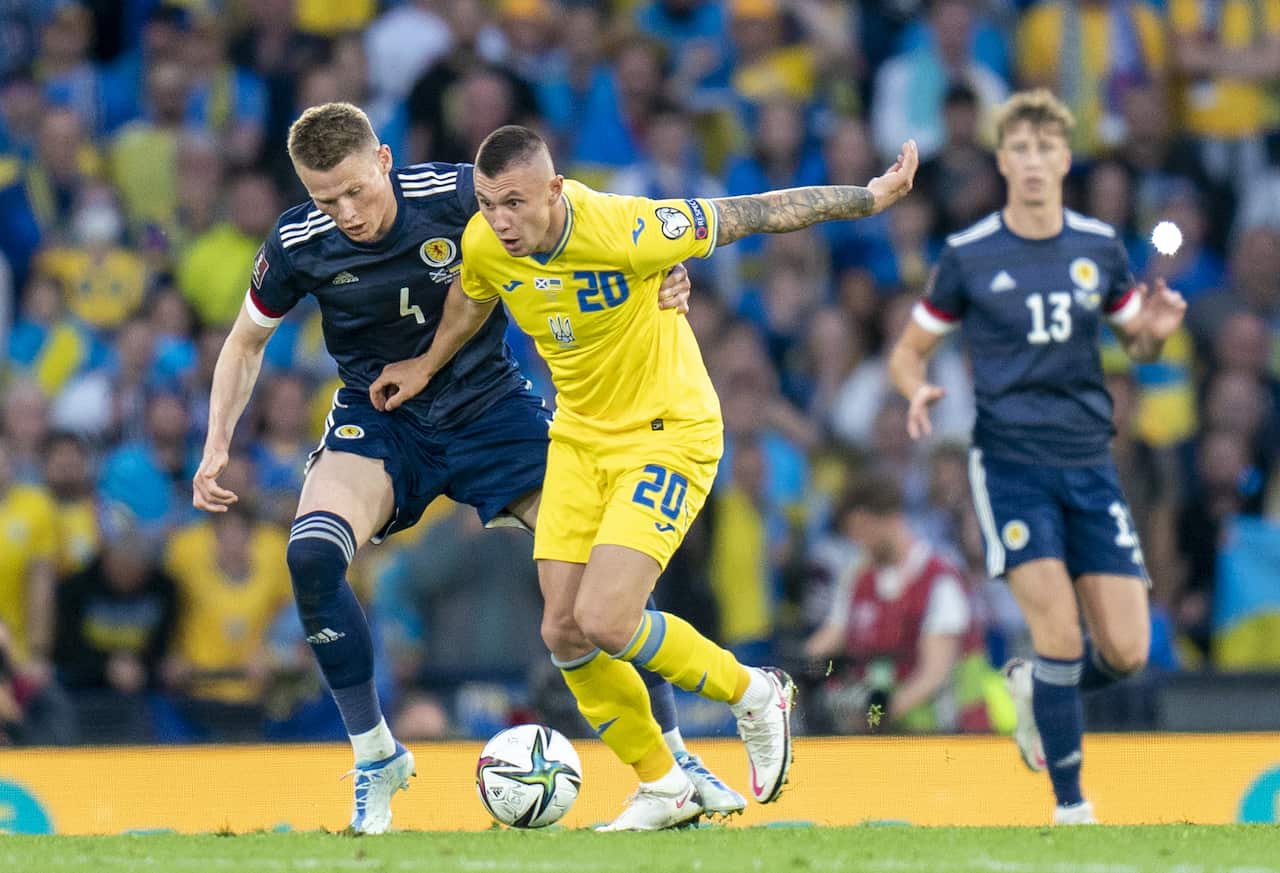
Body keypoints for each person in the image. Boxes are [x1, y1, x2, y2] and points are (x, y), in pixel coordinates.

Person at [190, 102, 735, 834]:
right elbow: (244, 343)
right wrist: (216, 443)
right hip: (383, 414)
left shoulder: (460, 194)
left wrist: (666, 272)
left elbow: (589, 214)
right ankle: (376, 753)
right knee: (313, 555)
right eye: (327, 198)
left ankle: (677, 760)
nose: (346, 212)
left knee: (605, 578)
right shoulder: (297, 243)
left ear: (384, 159)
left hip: (490, 408)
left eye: (357, 189)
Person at [369, 124, 918, 829]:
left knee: (607, 617)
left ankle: (753, 691)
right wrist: (424, 363)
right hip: (576, 439)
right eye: (487, 203)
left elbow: (757, 211)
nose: (500, 221)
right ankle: (665, 785)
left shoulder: (630, 226)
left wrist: (867, 199)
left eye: (514, 202)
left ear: (555, 190)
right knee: (565, 632)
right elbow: (472, 296)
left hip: (668, 433)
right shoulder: (485, 243)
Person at [887, 89, 1187, 825]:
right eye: (1017, 148)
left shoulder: (1098, 247)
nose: (1030, 161)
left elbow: (1135, 343)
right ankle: (1071, 807)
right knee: (1057, 632)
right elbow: (909, 348)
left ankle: (1035, 688)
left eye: (1044, 148)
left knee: (1126, 650)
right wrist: (916, 389)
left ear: (1064, 157)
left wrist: (1154, 332)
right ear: (1002, 159)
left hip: (1090, 461)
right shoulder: (968, 255)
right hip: (1011, 463)